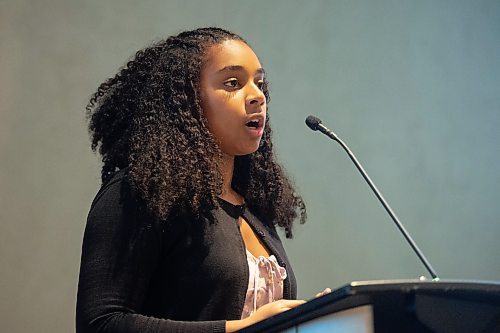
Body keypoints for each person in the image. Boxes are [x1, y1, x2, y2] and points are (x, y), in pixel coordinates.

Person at [76, 27, 326, 333]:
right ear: (185, 100)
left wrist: (315, 317)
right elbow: (101, 323)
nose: (257, 96)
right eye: (233, 83)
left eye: (260, 84)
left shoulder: (253, 209)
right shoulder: (138, 193)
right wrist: (237, 330)